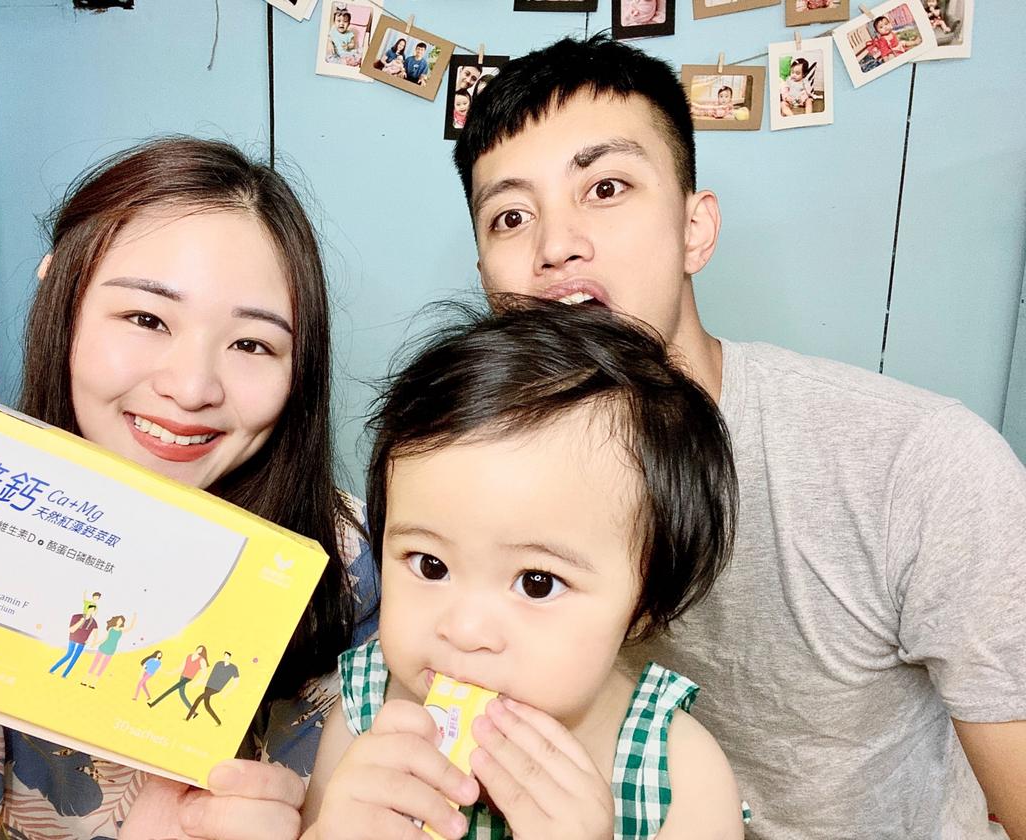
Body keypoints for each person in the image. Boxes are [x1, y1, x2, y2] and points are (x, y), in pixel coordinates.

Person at [452, 34, 1026, 840]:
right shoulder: (473, 487)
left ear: (695, 230)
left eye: (606, 187)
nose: (555, 246)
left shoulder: (917, 465)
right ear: (486, 278)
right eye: (511, 216)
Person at [0, 136, 380, 840]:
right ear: (62, 299)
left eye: (251, 344)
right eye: (146, 319)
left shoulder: (361, 568)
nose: (191, 388)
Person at [303, 300, 743, 839]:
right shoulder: (367, 709)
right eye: (430, 565)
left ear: (645, 604)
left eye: (537, 583)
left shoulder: (678, 773)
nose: (464, 630)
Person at [187, 651, 241, 726]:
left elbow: (236, 682)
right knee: (207, 706)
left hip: (216, 688)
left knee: (199, 698)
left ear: (230, 657)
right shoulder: (218, 664)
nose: (226, 657)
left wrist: (227, 692)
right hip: (208, 686)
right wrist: (203, 682)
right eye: (225, 656)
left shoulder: (233, 668)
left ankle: (187, 718)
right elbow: (212, 674)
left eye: (227, 656)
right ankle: (219, 722)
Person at [84, 612, 137, 687]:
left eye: (121, 621)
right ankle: (85, 680)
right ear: (116, 621)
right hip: (103, 647)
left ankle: (93, 683)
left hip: (111, 650)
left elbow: (130, 627)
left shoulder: (121, 630)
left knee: (103, 666)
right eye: (118, 620)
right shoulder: (111, 629)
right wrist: (95, 643)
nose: (119, 622)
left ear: (122, 622)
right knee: (95, 664)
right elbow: (105, 638)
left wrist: (134, 617)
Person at [150, 645, 210, 711]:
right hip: (182, 676)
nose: (199, 650)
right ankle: (193, 711)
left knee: (170, 690)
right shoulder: (189, 656)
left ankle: (153, 704)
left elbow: (204, 673)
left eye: (201, 650)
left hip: (187, 678)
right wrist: (171, 673)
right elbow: (181, 667)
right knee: (182, 694)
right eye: (199, 648)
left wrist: (197, 682)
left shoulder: (202, 660)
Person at [51, 604, 100, 678]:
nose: (91, 612)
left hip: (82, 643)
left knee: (74, 659)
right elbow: (71, 630)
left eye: (93, 611)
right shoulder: (76, 616)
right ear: (87, 609)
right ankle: (52, 670)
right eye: (90, 610)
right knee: (68, 655)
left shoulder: (94, 622)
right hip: (73, 639)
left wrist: (90, 641)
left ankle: (64, 675)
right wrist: (80, 621)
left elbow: (95, 635)